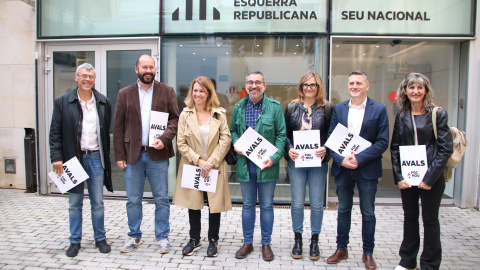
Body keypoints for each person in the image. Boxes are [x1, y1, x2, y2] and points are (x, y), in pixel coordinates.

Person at [113, 54, 179, 253]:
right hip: (133, 155)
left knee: (160, 198)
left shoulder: (166, 91)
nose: (148, 70)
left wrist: (165, 138)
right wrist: (119, 155)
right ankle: (134, 236)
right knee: (133, 200)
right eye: (144, 67)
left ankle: (163, 237)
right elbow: (118, 127)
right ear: (136, 69)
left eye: (151, 67)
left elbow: (175, 120)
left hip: (157, 155)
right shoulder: (124, 94)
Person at [326, 71, 389, 270]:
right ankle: (341, 248)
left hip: (367, 169)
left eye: (359, 83)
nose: (355, 86)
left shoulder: (379, 109)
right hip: (343, 169)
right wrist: (340, 159)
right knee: (344, 210)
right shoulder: (339, 109)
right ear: (348, 86)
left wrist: (359, 159)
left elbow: (382, 142)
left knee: (368, 212)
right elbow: (331, 138)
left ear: (367, 86)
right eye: (351, 83)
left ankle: (368, 253)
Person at [390, 73, 453, 270]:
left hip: (431, 178)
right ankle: (407, 261)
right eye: (411, 87)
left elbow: (445, 149)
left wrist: (429, 178)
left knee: (430, 220)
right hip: (408, 178)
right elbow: (395, 148)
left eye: (419, 88)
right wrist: (399, 177)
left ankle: (430, 264)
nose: (415, 91)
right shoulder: (402, 115)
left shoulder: (437, 114)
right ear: (405, 91)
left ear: (426, 90)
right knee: (410, 218)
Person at [49, 63, 112, 257]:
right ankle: (74, 241)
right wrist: (56, 157)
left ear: (94, 80)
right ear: (76, 78)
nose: (87, 79)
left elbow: (105, 131)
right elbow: (55, 132)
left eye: (91, 76)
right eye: (83, 75)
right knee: (75, 203)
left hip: (95, 158)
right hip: (73, 159)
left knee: (98, 202)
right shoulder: (62, 102)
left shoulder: (103, 102)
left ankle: (100, 238)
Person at [172, 76, 232, 257]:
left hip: (214, 166)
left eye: (202, 91)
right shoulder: (185, 114)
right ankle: (194, 239)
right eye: (195, 90)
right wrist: (198, 161)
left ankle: (213, 240)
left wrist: (211, 162)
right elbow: (181, 143)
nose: (197, 94)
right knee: (194, 204)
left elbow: (226, 139)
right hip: (193, 165)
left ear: (208, 93)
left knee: (214, 205)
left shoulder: (218, 113)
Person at [230, 71, 287, 261]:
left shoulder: (275, 107)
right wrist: (236, 143)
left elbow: (281, 135)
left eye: (257, 82)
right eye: (250, 83)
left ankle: (266, 244)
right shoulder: (239, 107)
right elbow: (233, 131)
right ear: (245, 85)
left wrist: (275, 157)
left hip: (267, 165)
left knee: (267, 205)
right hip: (246, 165)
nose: (253, 86)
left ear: (265, 85)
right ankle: (247, 243)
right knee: (247, 205)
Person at [284, 70, 332, 260]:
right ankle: (297, 239)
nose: (309, 88)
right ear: (301, 86)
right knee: (296, 202)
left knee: (317, 203)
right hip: (297, 161)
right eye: (306, 84)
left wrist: (326, 149)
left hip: (318, 162)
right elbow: (285, 133)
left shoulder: (327, 108)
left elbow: (331, 134)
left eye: (313, 85)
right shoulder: (291, 107)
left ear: (318, 87)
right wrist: (289, 149)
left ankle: (314, 240)